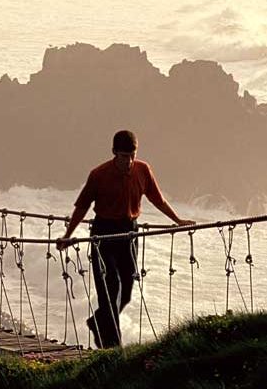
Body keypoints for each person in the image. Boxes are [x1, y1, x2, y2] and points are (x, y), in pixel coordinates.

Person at [56, 130, 196, 348]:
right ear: (114, 153)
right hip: (103, 233)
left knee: (128, 290)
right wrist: (68, 236)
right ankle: (113, 348)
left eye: (132, 155)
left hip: (129, 233)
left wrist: (177, 220)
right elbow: (82, 207)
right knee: (110, 286)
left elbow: (157, 200)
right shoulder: (99, 175)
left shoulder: (143, 169)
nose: (129, 161)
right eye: (124, 156)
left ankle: (98, 322)